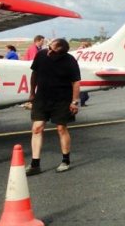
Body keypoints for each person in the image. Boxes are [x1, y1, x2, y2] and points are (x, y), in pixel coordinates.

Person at [25, 38, 81, 175]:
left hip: (62, 99)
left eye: (52, 50)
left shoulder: (70, 61)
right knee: (36, 128)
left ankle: (65, 160)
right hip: (42, 98)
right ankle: (35, 164)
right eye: (48, 47)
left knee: (61, 128)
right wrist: (32, 92)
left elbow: (76, 83)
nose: (48, 51)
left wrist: (74, 102)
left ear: (61, 53)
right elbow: (34, 74)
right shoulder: (41, 55)